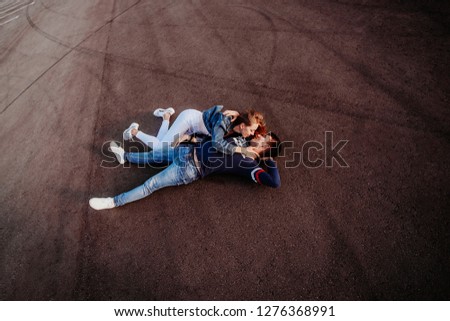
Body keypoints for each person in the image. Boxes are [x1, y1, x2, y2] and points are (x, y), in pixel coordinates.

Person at [89, 132, 282, 210]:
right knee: (152, 156)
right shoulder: (243, 140)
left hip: (189, 168)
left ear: (266, 148)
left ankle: (113, 202)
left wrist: (268, 159)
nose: (262, 135)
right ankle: (125, 156)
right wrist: (194, 138)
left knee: (150, 185)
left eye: (266, 138)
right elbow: (216, 139)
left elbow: (274, 182)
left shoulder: (250, 164)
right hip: (187, 151)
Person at [122, 105, 265, 157]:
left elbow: (250, 135)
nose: (252, 134)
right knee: (160, 148)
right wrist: (242, 151)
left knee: (162, 143)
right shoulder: (224, 121)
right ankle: (134, 131)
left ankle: (165, 116)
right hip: (189, 120)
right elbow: (217, 144)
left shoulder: (237, 128)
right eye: (252, 130)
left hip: (193, 126)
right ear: (242, 126)